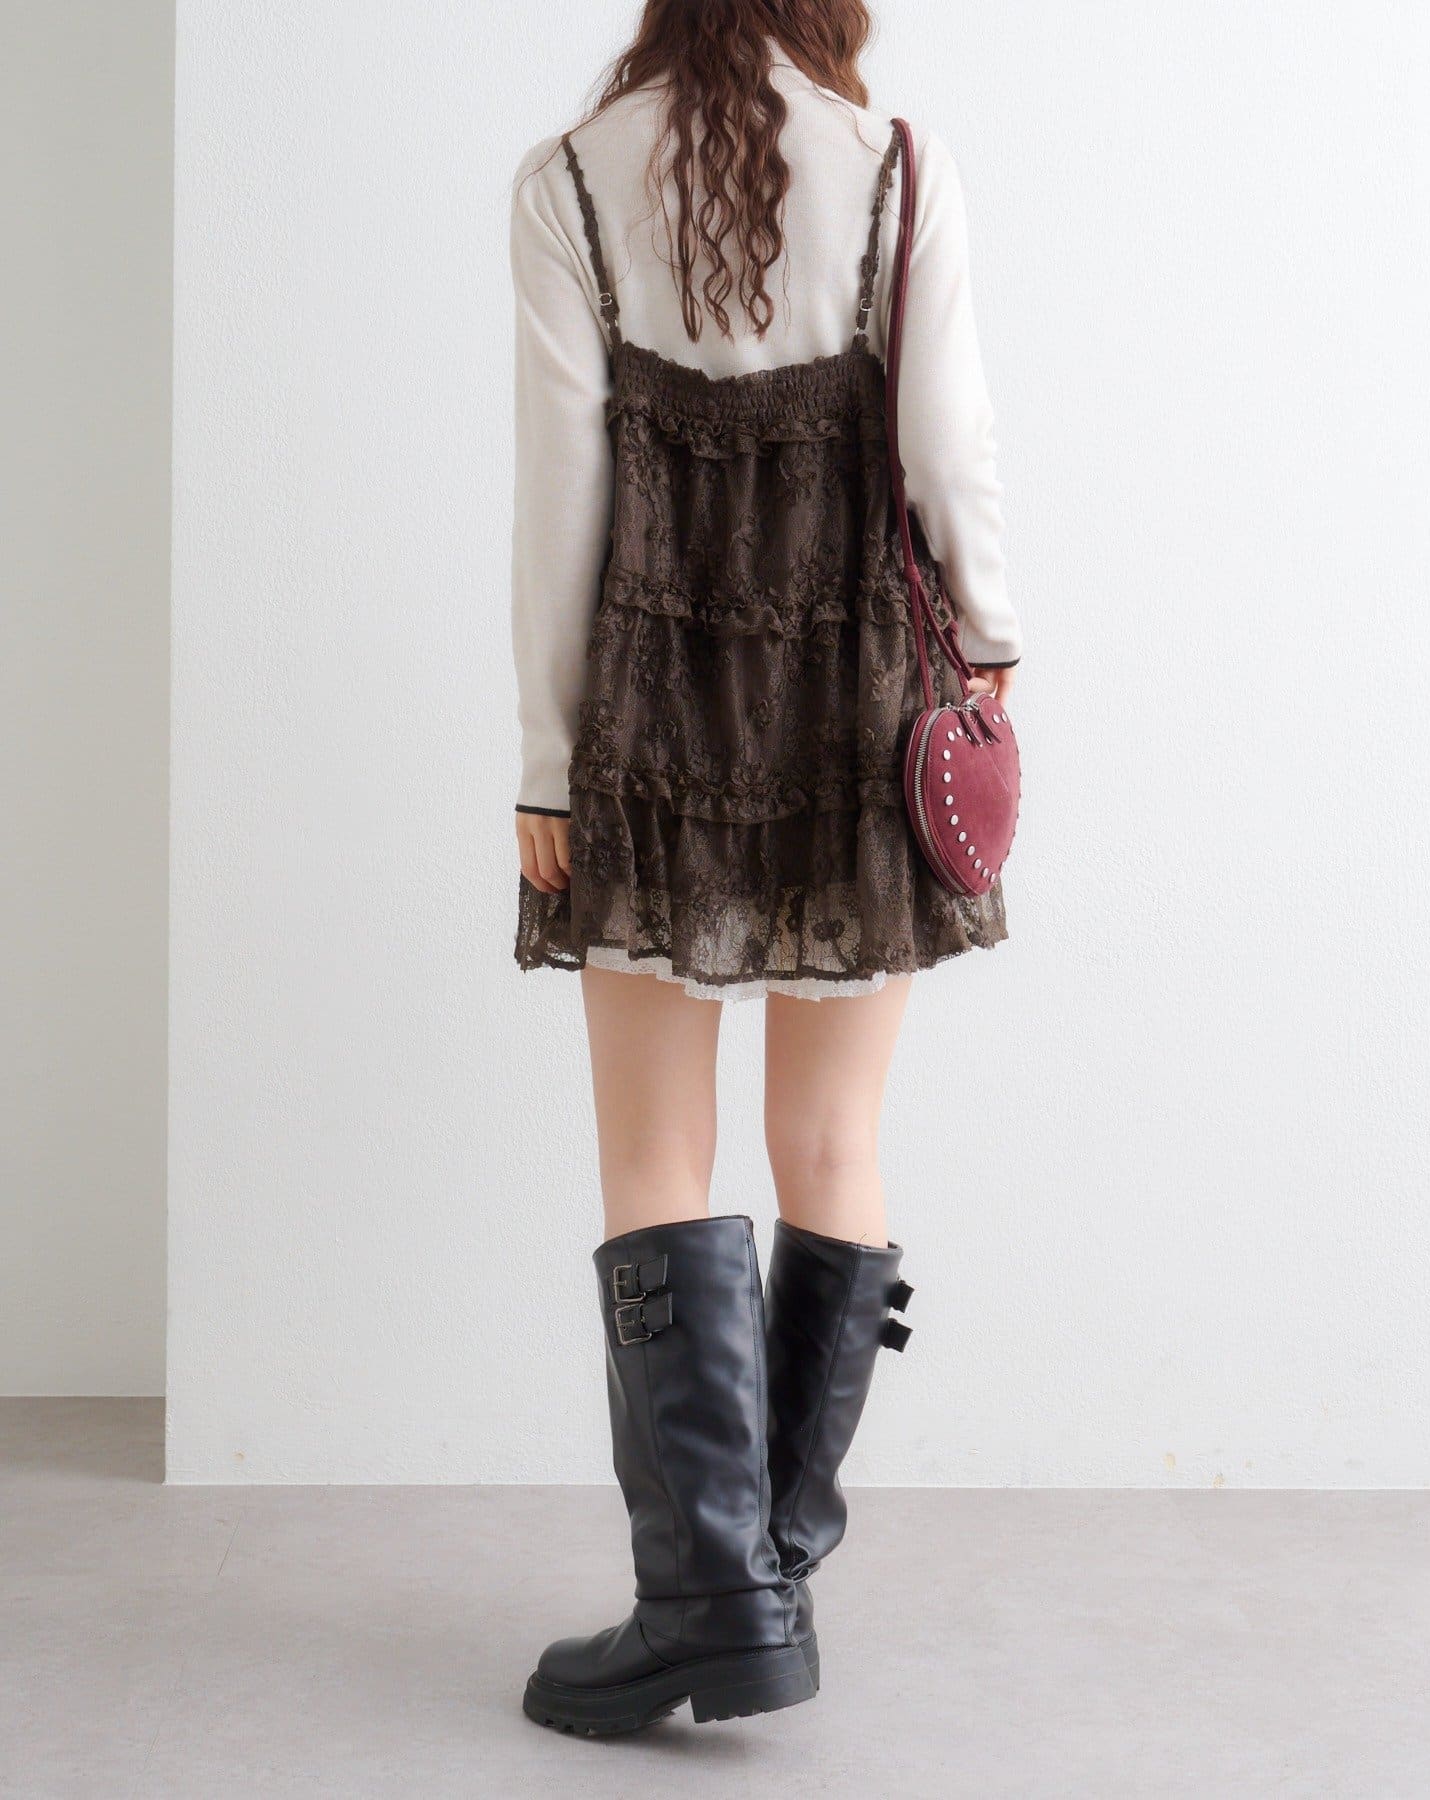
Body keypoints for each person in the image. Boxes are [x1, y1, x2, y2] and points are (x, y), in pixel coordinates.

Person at [508, 0, 1021, 1735]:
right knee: (837, 1140)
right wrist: (992, 644)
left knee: (655, 1146)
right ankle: (766, 1571)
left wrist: (546, 759)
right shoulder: (899, 168)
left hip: (650, 706)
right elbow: (948, 449)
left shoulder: (568, 179)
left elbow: (562, 501)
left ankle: (713, 1593)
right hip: (858, 694)